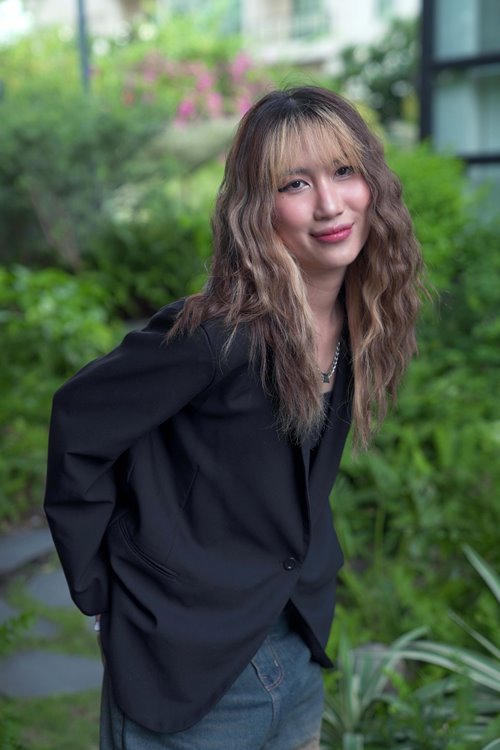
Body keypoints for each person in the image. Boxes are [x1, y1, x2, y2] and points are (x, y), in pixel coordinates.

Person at [44, 86, 425, 750]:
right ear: (258, 207)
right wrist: (101, 591)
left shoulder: (358, 320)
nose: (330, 204)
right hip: (186, 673)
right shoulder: (217, 334)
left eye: (344, 171)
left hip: (295, 652)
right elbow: (79, 421)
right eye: (295, 183)